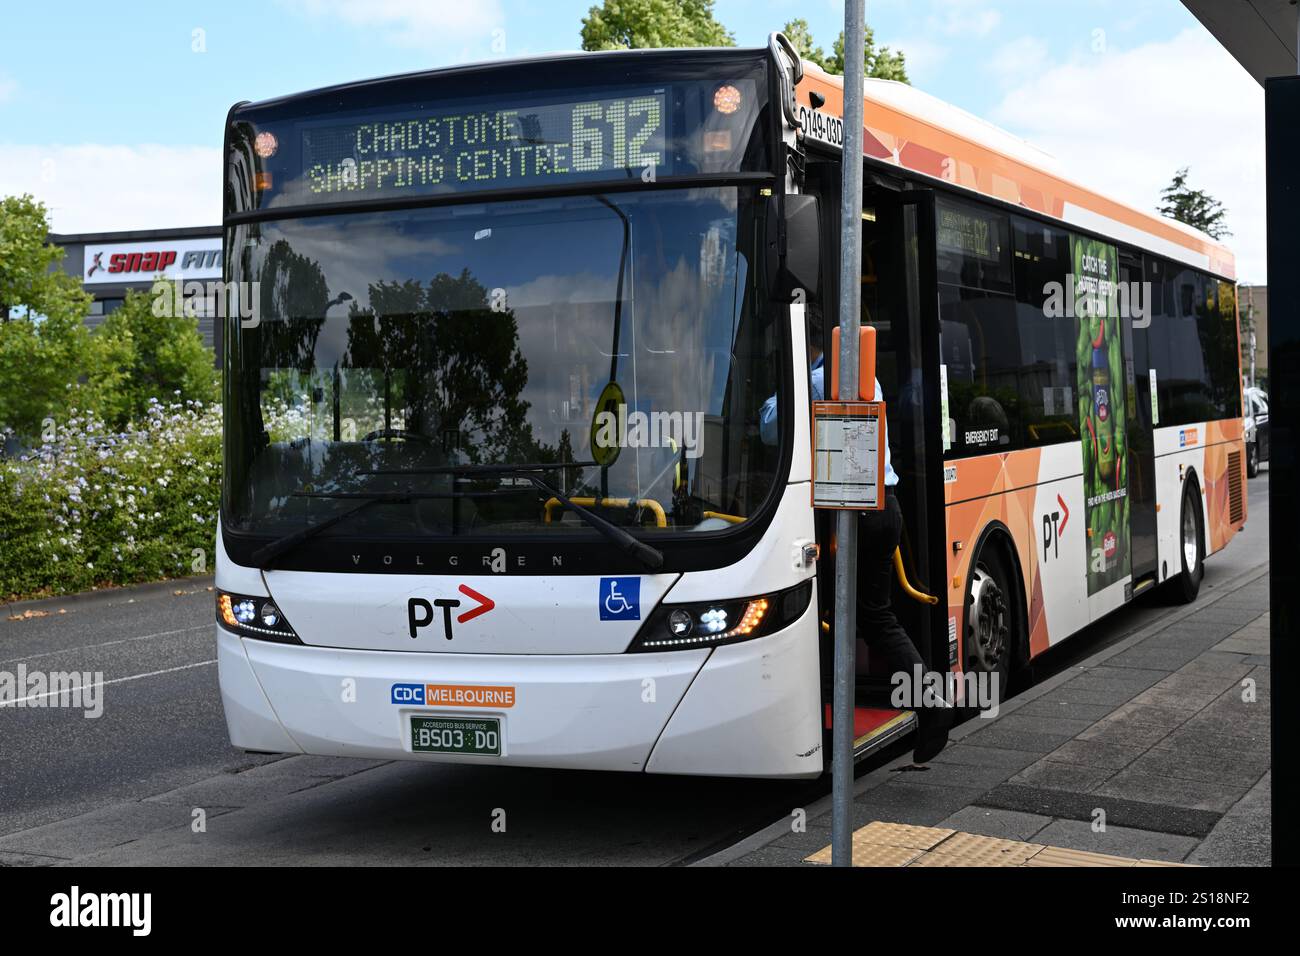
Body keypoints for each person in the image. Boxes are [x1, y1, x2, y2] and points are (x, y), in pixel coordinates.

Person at [761, 308, 948, 764]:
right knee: (872, 614)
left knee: (858, 615)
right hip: (886, 507)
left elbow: (770, 426)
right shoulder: (866, 378)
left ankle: (923, 705)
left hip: (854, 518)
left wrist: (791, 375)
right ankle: (924, 704)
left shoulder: (821, 381)